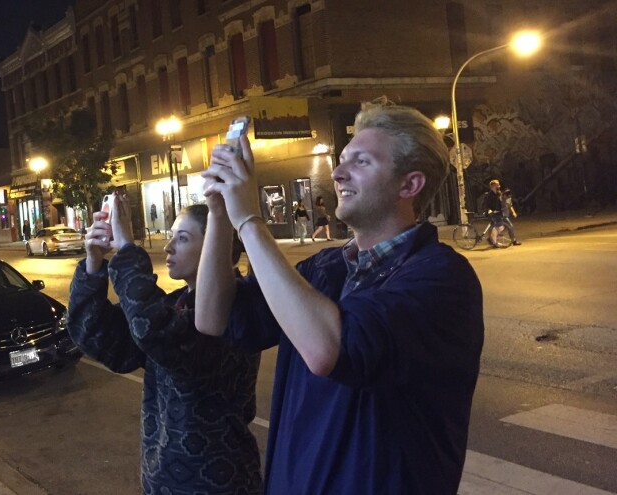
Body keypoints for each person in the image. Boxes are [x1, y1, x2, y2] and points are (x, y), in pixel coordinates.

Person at [196, 101, 484, 494]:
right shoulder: (324, 269)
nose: (337, 172)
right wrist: (219, 213)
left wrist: (249, 220)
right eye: (342, 159)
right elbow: (215, 318)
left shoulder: (441, 277)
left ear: (409, 185)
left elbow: (331, 349)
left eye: (361, 162)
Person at [67, 197, 262, 495]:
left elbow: (156, 333)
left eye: (182, 238)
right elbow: (106, 344)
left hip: (220, 484)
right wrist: (94, 266)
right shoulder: (176, 304)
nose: (168, 247)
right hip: (162, 480)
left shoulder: (235, 309)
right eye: (171, 236)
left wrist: (128, 252)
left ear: (216, 245)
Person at [482, 179, 506, 247]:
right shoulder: (489, 195)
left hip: (498, 212)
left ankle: (491, 239)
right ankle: (494, 242)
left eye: (499, 184)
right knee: (499, 227)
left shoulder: (498, 193)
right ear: (493, 186)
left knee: (498, 226)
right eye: (497, 185)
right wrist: (491, 212)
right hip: (492, 213)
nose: (499, 186)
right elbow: (486, 206)